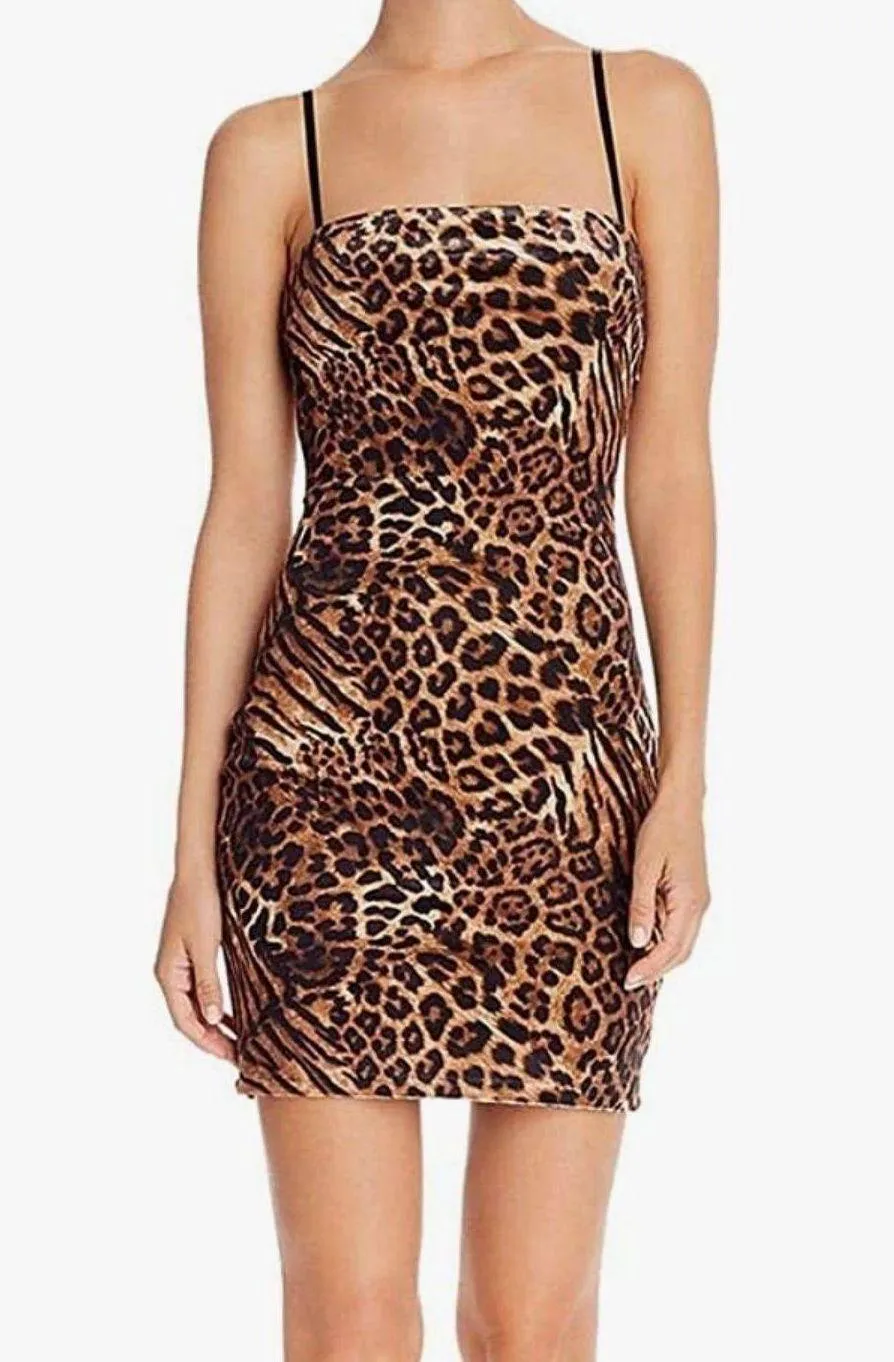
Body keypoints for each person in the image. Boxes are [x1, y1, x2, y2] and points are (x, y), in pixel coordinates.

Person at [155, 1, 718, 1357]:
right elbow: (245, 506)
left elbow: (671, 469)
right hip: (318, 778)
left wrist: (683, 780)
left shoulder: (643, 105)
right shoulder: (269, 147)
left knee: (530, 1320)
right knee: (348, 1317)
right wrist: (187, 850)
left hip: (566, 774)